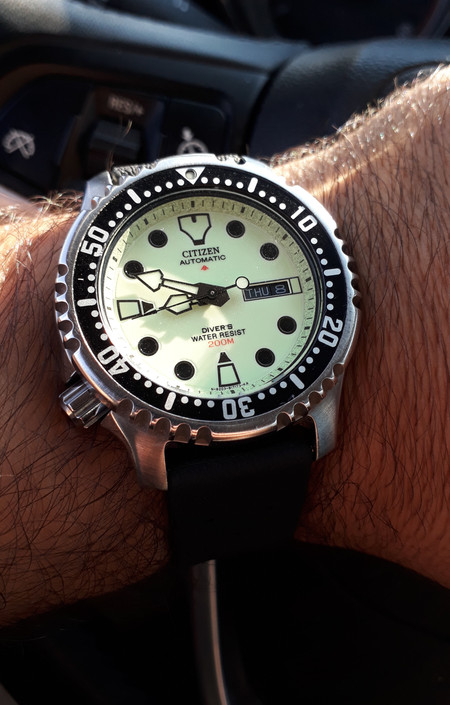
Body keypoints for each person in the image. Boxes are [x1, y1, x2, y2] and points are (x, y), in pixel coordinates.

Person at [0, 66, 448, 627]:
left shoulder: (318, 414)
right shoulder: (153, 452)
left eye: (211, 293)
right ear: (83, 392)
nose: (211, 296)